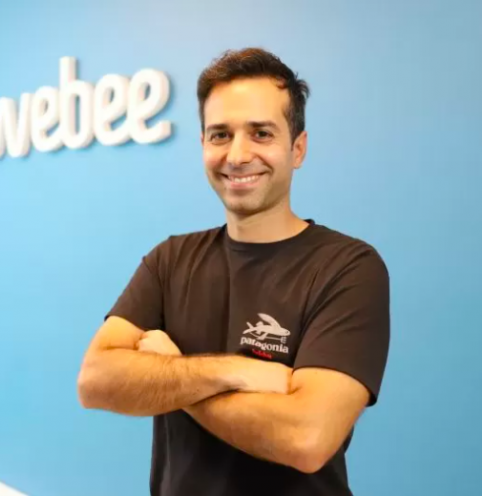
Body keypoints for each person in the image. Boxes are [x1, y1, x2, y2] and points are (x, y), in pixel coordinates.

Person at [77, 47, 391, 496]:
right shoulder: (169, 260)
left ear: (297, 148)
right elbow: (96, 381)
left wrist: (172, 374)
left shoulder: (347, 268)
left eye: (261, 133)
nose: (238, 155)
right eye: (220, 135)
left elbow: (306, 438)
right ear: (203, 145)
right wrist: (239, 373)